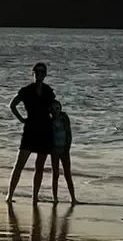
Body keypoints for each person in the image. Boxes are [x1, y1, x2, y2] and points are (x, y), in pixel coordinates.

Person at [8, 62, 74, 203]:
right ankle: (10, 196)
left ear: (45, 74)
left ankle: (35, 197)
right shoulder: (26, 91)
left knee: (40, 167)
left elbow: (54, 108)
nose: (39, 74)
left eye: (42, 72)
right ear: (33, 73)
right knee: (19, 164)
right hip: (30, 130)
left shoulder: (48, 91)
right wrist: (21, 119)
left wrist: (61, 118)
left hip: (45, 131)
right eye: (37, 72)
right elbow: (12, 105)